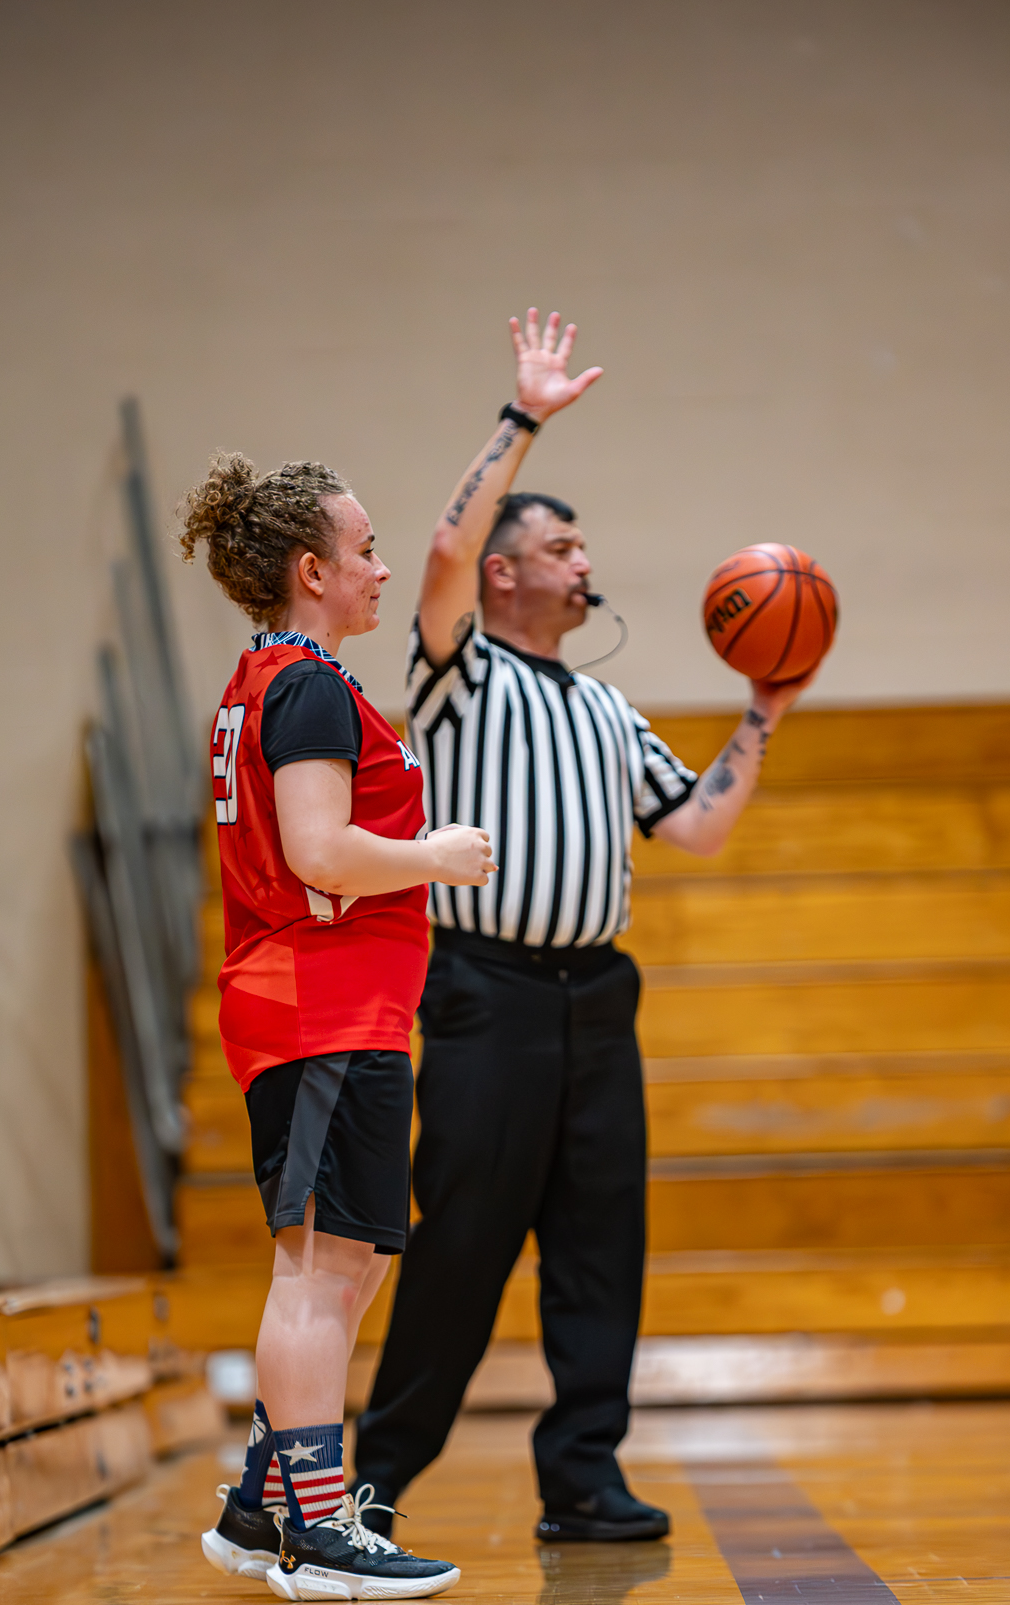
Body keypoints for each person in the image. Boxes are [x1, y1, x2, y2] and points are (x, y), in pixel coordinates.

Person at [353, 310, 813, 1543]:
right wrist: (524, 417)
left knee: (603, 1243)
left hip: (599, 998)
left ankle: (583, 1475)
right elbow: (443, 546)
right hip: (485, 990)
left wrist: (763, 711)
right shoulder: (458, 671)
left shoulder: (609, 709)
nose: (583, 558)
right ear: (507, 574)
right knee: (463, 1242)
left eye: (581, 543)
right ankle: (376, 1477)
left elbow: (697, 825)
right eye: (561, 544)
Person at [180, 451, 494, 1598]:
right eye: (364, 549)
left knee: (346, 1267)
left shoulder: (276, 678)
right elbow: (319, 850)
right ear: (311, 570)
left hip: (337, 1010)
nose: (381, 568)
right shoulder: (305, 686)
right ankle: (317, 1529)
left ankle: (261, 1506)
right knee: (318, 1272)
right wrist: (435, 855)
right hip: (315, 1008)